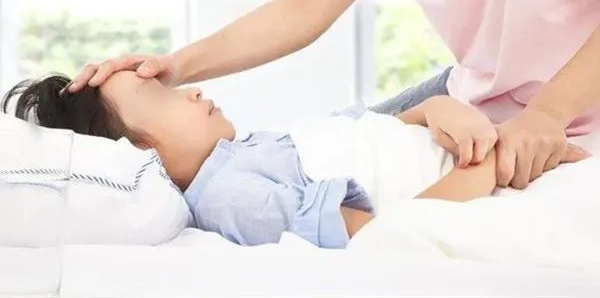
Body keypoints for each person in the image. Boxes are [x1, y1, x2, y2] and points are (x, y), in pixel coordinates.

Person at [67, 0, 599, 189]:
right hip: (477, 94)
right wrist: (174, 66)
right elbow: (304, 9)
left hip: (572, 104)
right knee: (307, 154)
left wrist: (546, 115)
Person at [7, 71, 587, 248]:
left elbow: (370, 134)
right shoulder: (234, 198)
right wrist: (491, 164)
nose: (191, 90)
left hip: (493, 157)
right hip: (492, 181)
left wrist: (436, 110)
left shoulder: (245, 151)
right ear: (137, 151)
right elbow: (385, 235)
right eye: (161, 96)